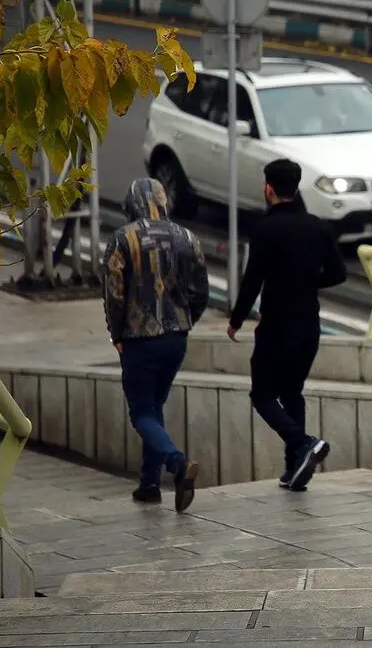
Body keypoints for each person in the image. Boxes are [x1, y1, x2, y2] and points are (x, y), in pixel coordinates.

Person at [227, 159, 347, 492]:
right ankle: (295, 468)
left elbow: (253, 279)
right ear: (296, 188)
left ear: (269, 188)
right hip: (309, 324)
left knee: (263, 393)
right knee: (292, 391)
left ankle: (303, 442)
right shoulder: (319, 227)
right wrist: (306, 282)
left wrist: (236, 320)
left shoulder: (267, 229)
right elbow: (338, 274)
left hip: (277, 324)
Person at [103, 178, 210, 513]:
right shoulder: (187, 237)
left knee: (142, 412)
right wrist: (185, 321)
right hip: (176, 339)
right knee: (155, 406)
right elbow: (201, 291)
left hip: (138, 339)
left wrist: (117, 334)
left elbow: (114, 295)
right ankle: (149, 484)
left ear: (131, 203)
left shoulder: (123, 238)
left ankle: (177, 464)